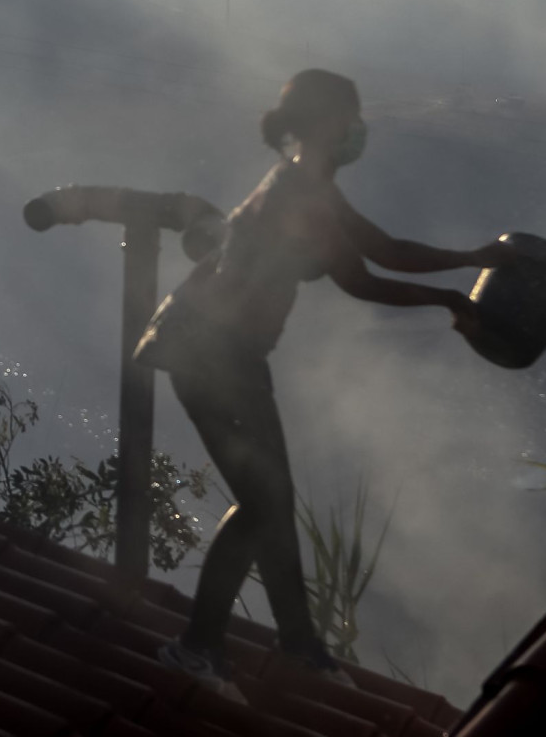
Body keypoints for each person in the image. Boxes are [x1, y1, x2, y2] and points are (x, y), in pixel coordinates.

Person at [136, 69, 511, 691]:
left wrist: (471, 261)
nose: (357, 130)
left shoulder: (311, 188)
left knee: (272, 499)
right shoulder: (297, 195)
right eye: (348, 118)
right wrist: (452, 296)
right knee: (263, 502)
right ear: (321, 125)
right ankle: (196, 649)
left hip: (226, 352)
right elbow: (359, 278)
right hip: (211, 351)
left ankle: (300, 648)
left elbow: (385, 247)